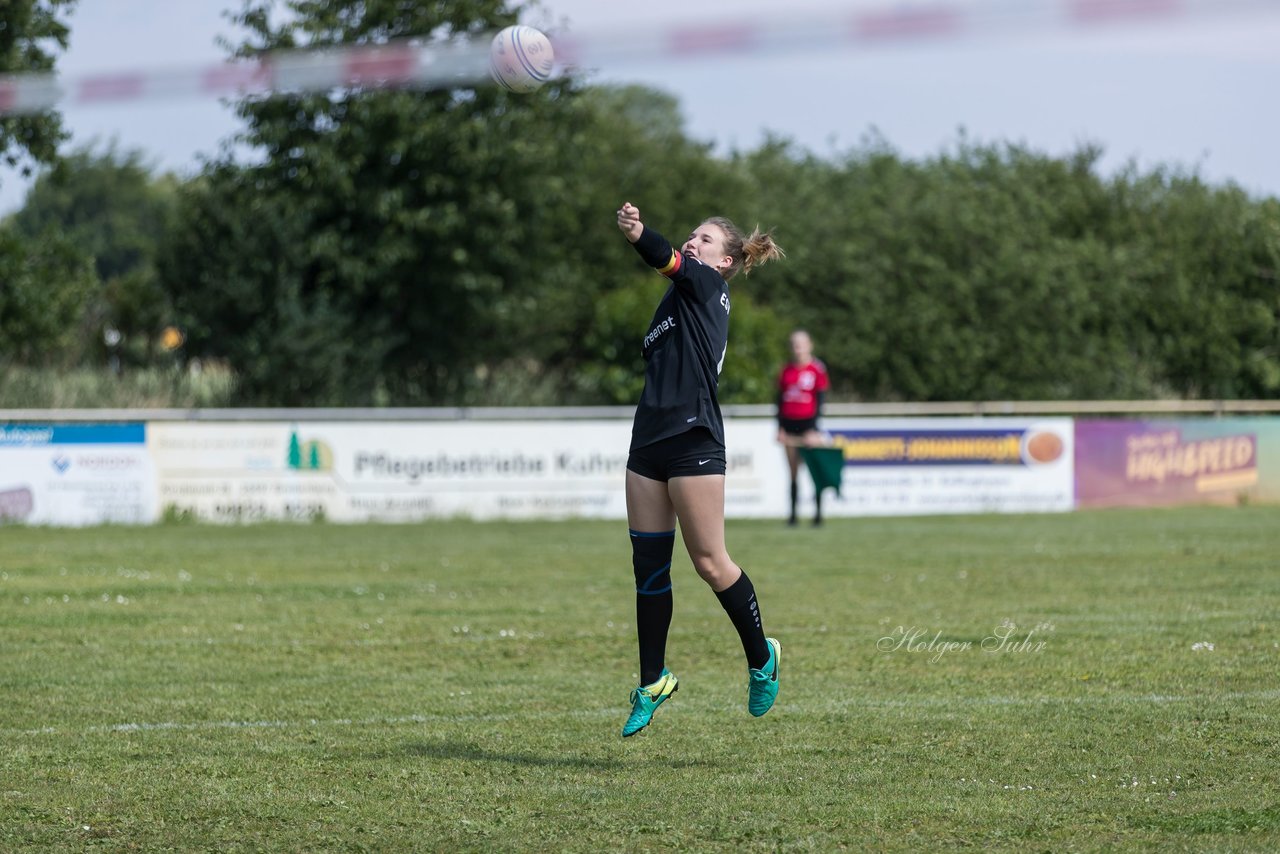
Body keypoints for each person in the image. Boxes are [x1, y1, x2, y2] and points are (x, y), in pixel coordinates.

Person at [615, 201, 785, 738]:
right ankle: (653, 680)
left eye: (705, 239)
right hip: (648, 444)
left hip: (693, 440)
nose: (694, 242)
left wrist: (641, 234)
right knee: (649, 570)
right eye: (693, 236)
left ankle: (762, 657)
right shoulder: (675, 301)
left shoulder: (708, 287)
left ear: (727, 261)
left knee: (710, 563)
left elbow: (663, 257)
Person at [776, 329, 830, 526]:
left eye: (801, 343)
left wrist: (814, 429)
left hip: (808, 425)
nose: (797, 348)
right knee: (792, 471)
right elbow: (780, 400)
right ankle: (792, 516)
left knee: (814, 470)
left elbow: (820, 400)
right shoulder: (786, 370)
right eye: (794, 344)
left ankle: (818, 515)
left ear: (809, 345)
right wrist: (780, 427)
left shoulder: (817, 369)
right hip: (790, 426)